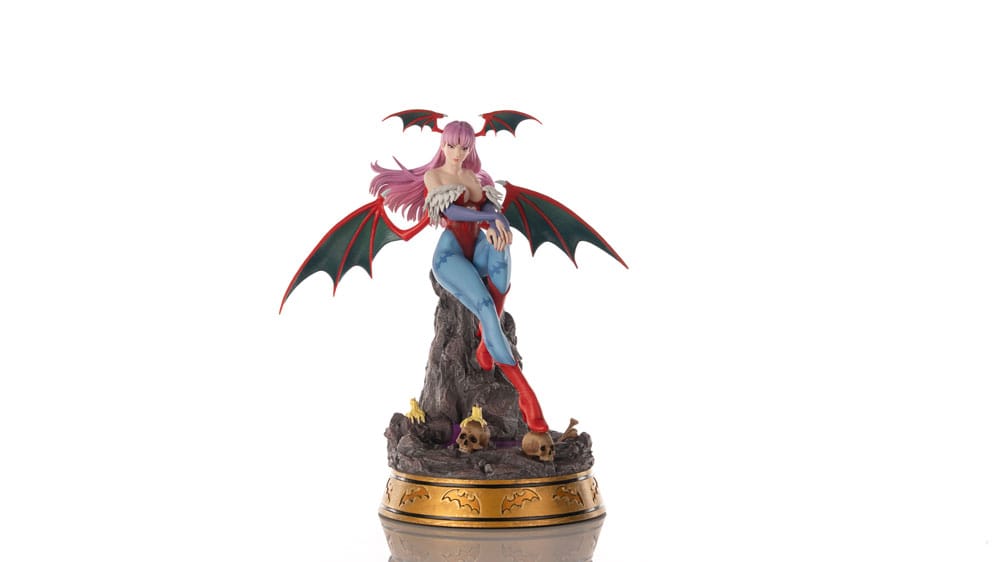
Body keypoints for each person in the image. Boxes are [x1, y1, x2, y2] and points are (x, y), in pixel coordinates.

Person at [370, 120, 554, 460]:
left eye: (464, 147)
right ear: (443, 145)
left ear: (471, 148)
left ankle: (487, 341)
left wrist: (496, 219)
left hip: (477, 249)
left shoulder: (476, 178)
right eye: (452, 145)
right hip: (450, 255)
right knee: (483, 306)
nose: (457, 152)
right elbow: (450, 210)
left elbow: (489, 208)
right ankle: (529, 403)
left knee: (502, 246)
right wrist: (491, 219)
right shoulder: (435, 177)